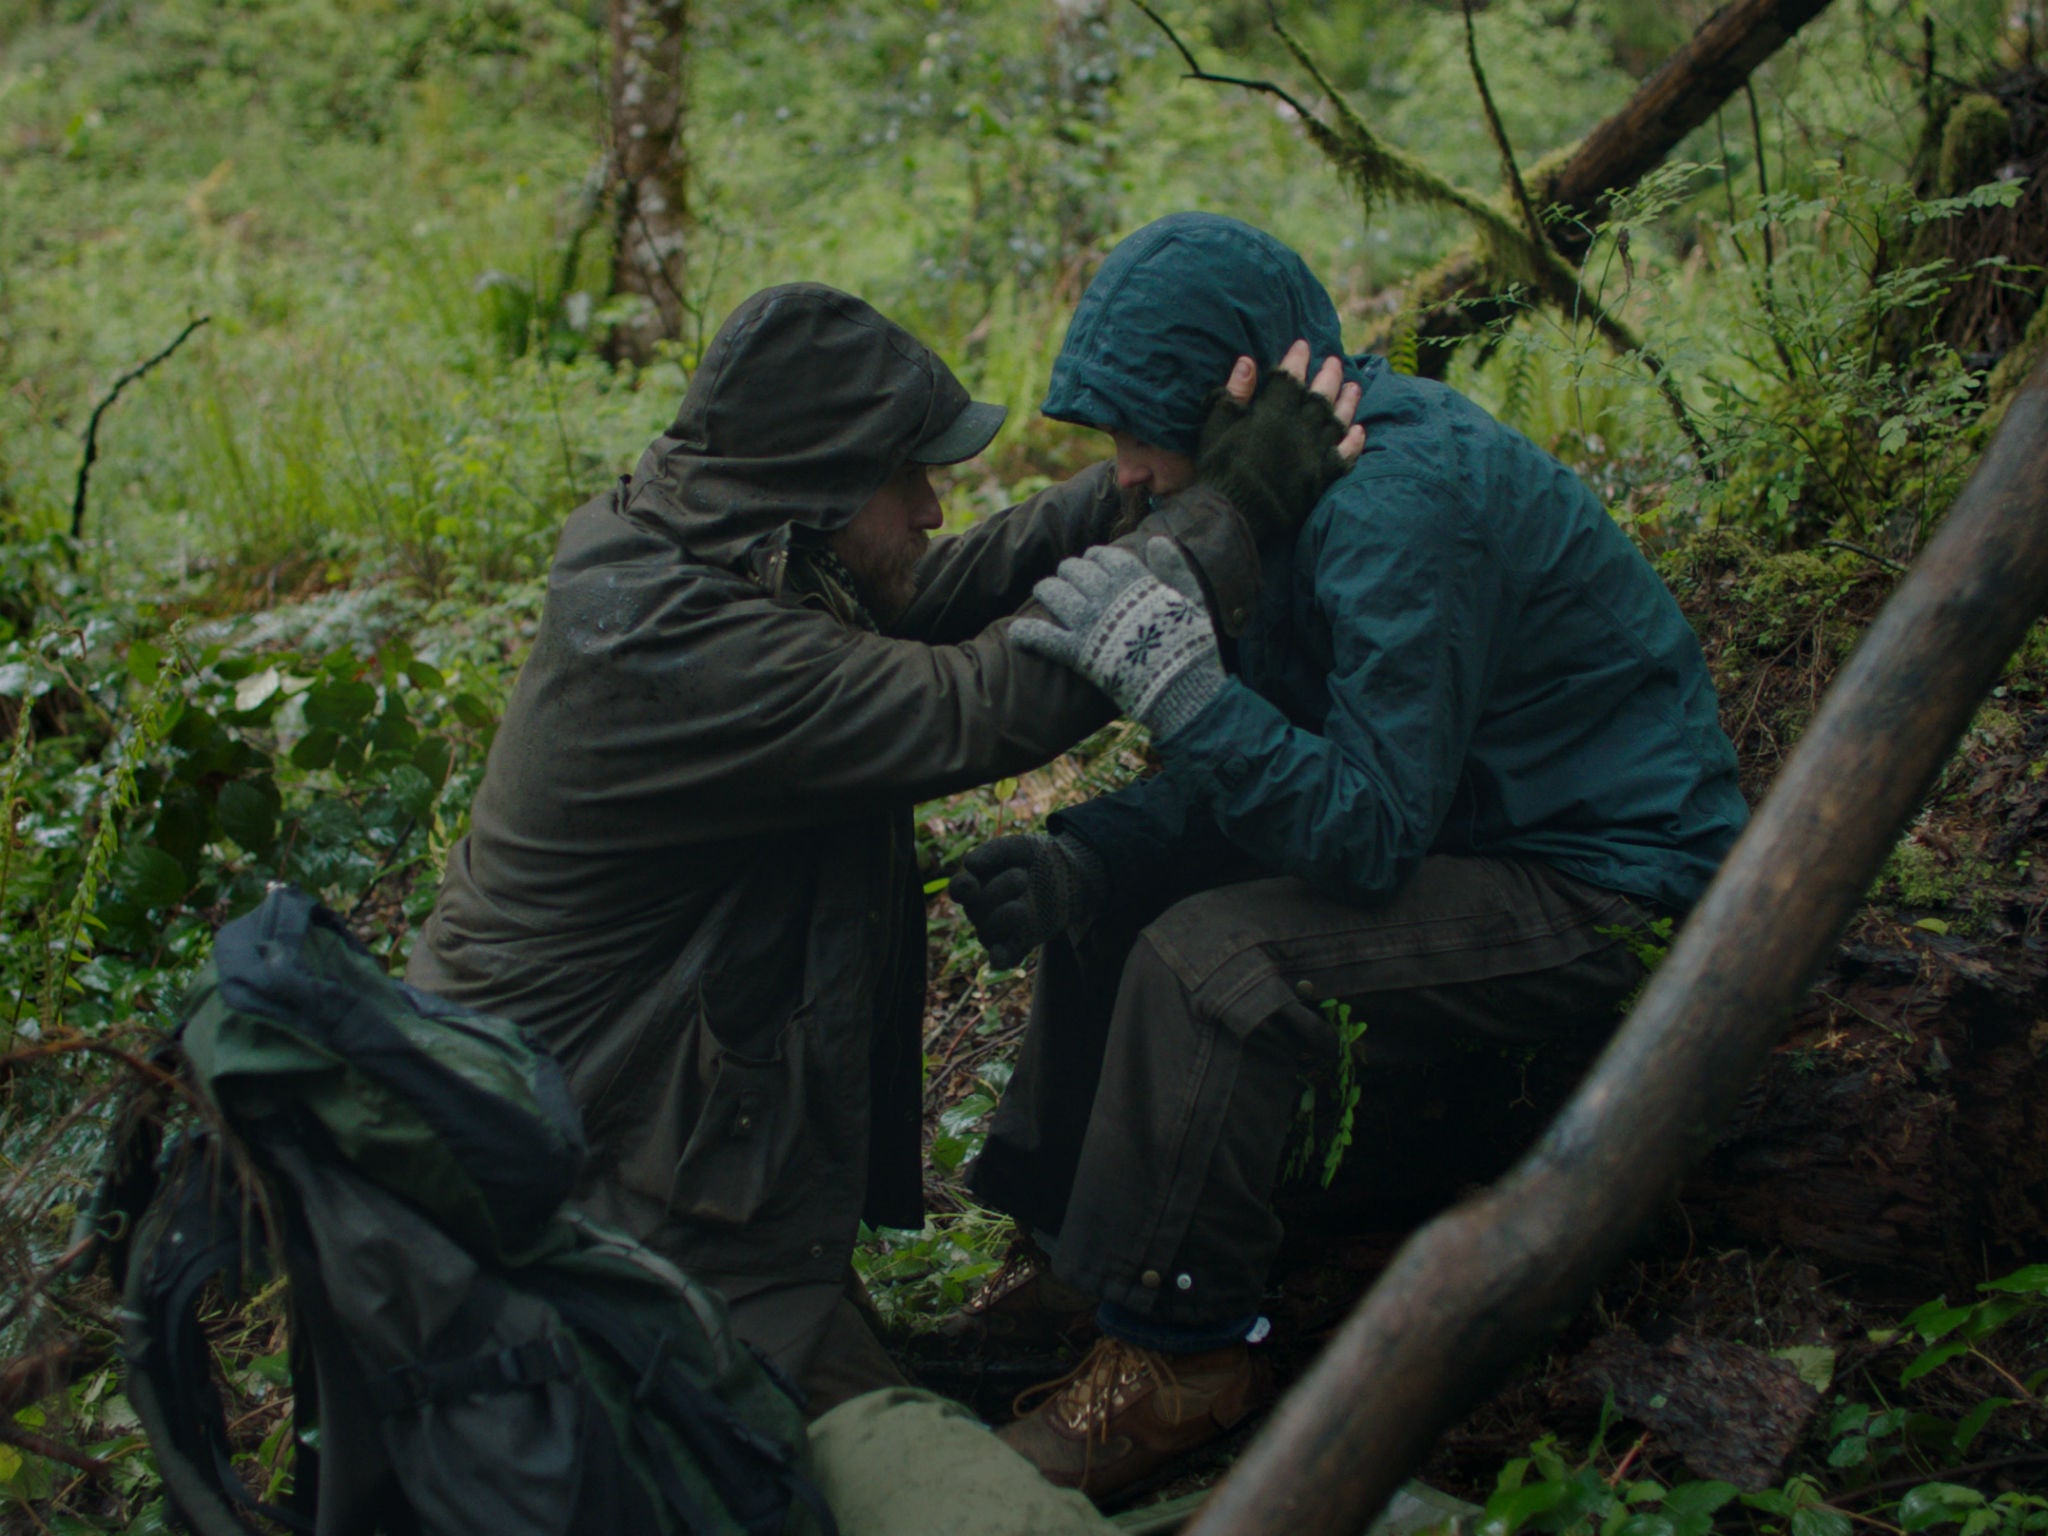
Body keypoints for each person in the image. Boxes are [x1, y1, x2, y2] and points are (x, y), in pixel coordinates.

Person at [404, 280, 1362, 1415]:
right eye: (903, 475)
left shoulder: (693, 541)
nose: (930, 506)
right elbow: (978, 702)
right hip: (568, 1210)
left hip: (611, 1143)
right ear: (810, 489)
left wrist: (1128, 490)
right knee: (914, 1474)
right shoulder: (673, 648)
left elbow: (937, 594)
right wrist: (1227, 514)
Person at [945, 213, 1750, 1498]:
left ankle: (1176, 1362)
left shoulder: (1394, 500)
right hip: (1469, 838)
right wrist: (1086, 858)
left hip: (1606, 885)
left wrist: (1181, 690)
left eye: (1140, 433)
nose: (1128, 476)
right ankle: (1072, 1276)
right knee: (1107, 894)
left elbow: (1369, 832)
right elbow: (1270, 765)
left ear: (1237, 393)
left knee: (1213, 961)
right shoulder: (1283, 478)